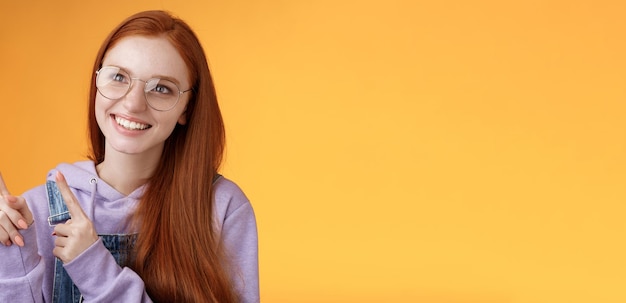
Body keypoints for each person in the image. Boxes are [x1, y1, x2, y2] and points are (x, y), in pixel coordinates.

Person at [0, 10, 259, 303]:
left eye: (162, 88)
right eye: (119, 77)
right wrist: (12, 252)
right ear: (97, 82)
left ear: (186, 108)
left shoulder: (221, 208)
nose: (133, 103)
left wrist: (94, 268)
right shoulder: (37, 209)